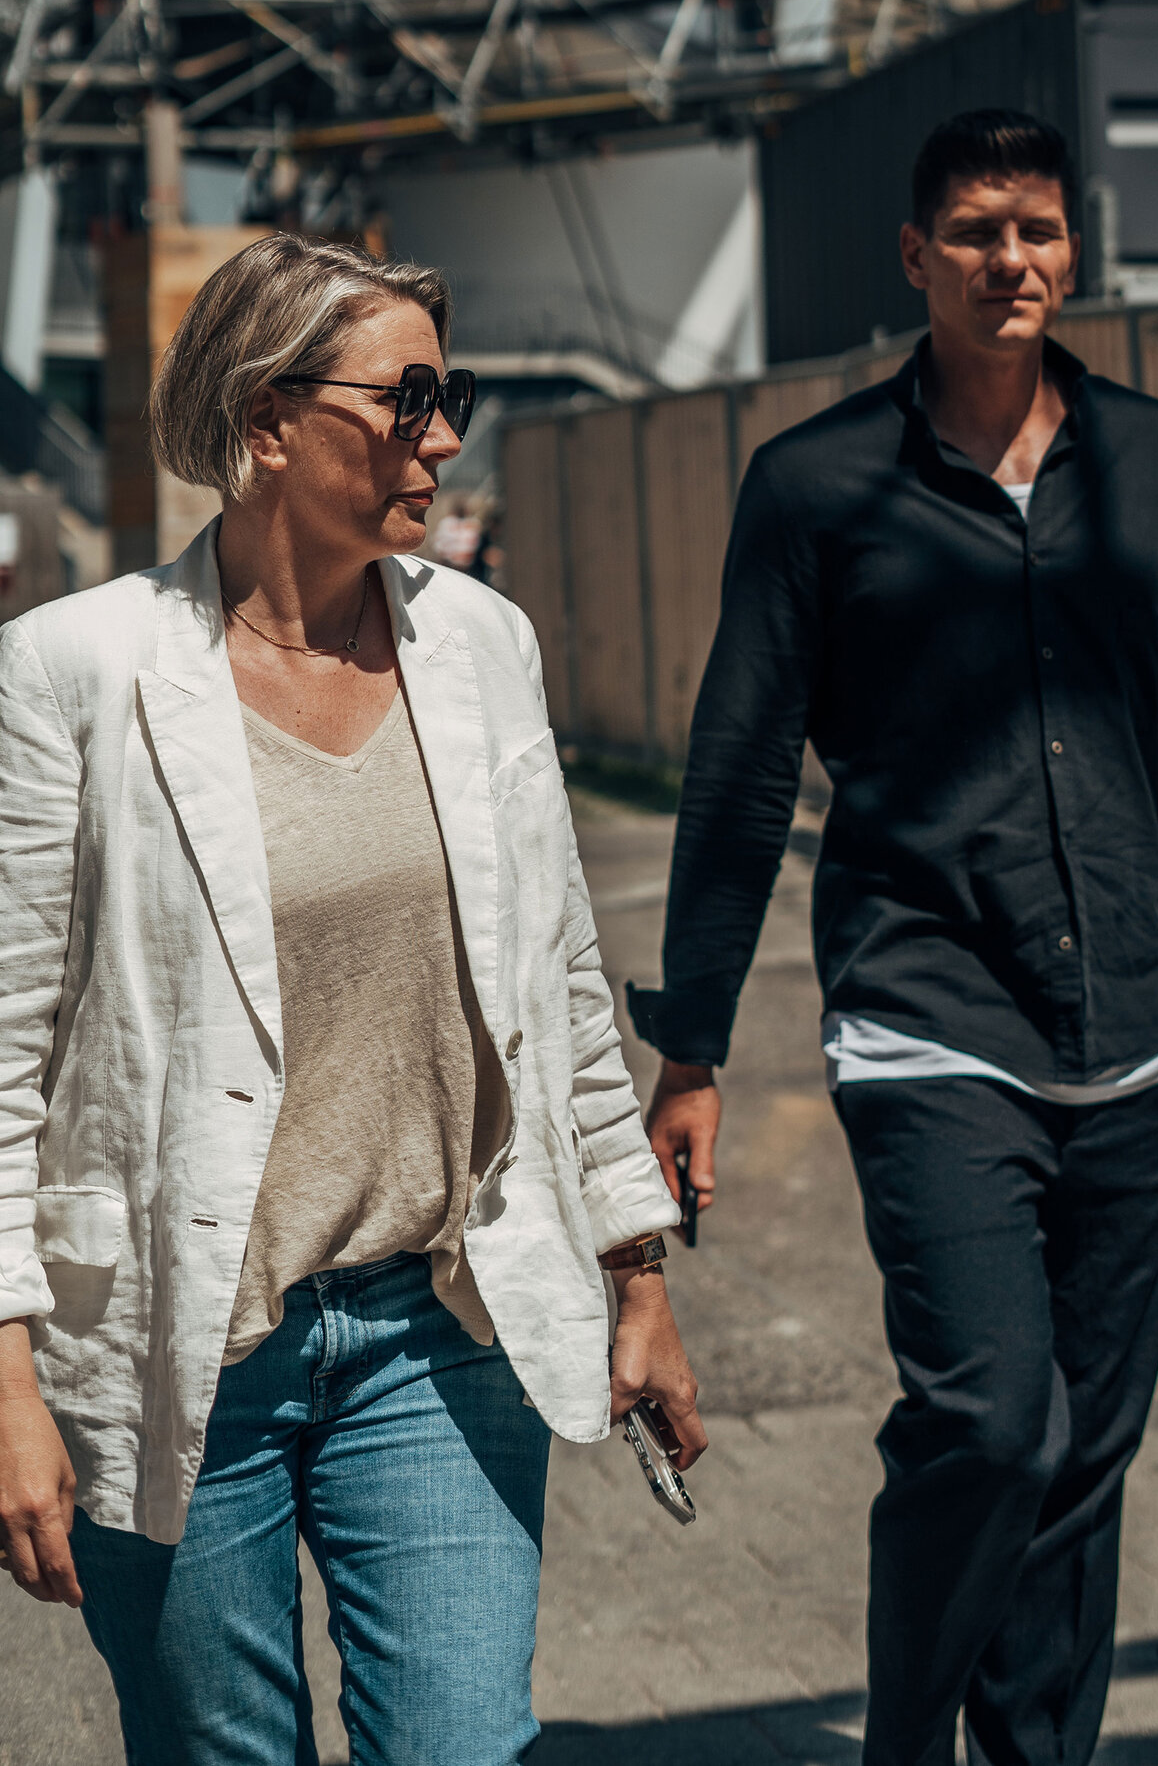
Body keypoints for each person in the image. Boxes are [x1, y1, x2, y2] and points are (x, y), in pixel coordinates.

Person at [0, 234, 704, 1766]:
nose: (442, 440)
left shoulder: (482, 644)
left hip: (438, 1323)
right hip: (185, 1344)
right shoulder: (72, 672)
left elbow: (560, 985)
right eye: (408, 401)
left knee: (463, 1746)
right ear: (269, 420)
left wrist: (637, 1277)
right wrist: (6, 1385)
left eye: (453, 398)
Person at [635, 111, 1158, 1766]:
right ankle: (909, 1744)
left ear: (1072, 249)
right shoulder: (816, 485)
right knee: (991, 1419)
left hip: (1140, 1034)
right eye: (976, 231)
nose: (1010, 260)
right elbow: (742, 770)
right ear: (916, 256)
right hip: (931, 1017)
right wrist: (690, 1049)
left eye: (1036, 229)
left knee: (1084, 1459)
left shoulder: (1155, 458)